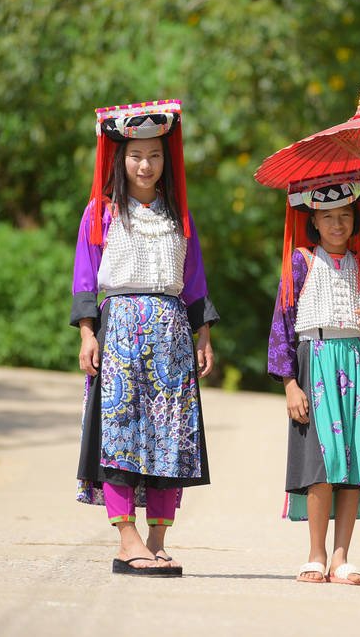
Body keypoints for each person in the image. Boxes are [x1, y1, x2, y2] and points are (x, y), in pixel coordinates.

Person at [70, 99, 219, 577]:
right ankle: (125, 538)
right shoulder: (101, 212)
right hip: (119, 336)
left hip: (173, 335)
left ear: (165, 159)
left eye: (154, 155)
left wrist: (204, 337)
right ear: (120, 157)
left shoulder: (181, 217)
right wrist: (87, 335)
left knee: (168, 437)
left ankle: (157, 538)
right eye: (136, 155)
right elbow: (85, 280)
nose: (145, 165)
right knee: (120, 436)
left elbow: (194, 283)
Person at [267, 169, 360, 586]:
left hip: (357, 366)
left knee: (353, 462)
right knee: (322, 463)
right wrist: (289, 384)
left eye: (346, 216)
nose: (338, 224)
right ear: (314, 220)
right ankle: (315, 553)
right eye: (329, 216)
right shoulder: (301, 262)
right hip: (315, 362)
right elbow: (282, 323)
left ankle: (342, 557)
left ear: (355, 220)